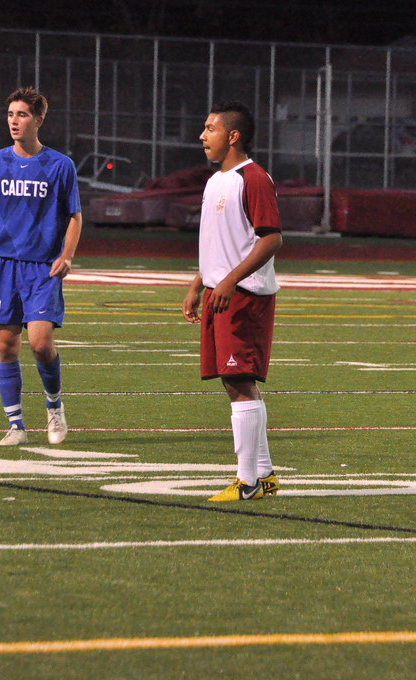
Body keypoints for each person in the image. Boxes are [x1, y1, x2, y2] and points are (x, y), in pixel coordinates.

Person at [0, 86, 82, 447]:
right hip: (3, 267)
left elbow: (75, 216)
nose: (14, 121)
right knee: (5, 346)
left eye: (22, 115)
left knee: (41, 343)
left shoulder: (60, 165)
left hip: (42, 268)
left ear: (39, 119)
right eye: (11, 114)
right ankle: (16, 425)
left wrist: (67, 256)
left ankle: (54, 408)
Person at [182, 100, 283, 502]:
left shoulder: (253, 178)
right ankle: (264, 475)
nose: (202, 135)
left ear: (233, 136)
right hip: (220, 291)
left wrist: (227, 282)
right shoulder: (214, 181)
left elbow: (271, 237)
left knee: (239, 381)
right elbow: (218, 244)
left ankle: (248, 484)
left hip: (244, 295)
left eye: (210, 128)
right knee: (233, 382)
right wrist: (198, 283)